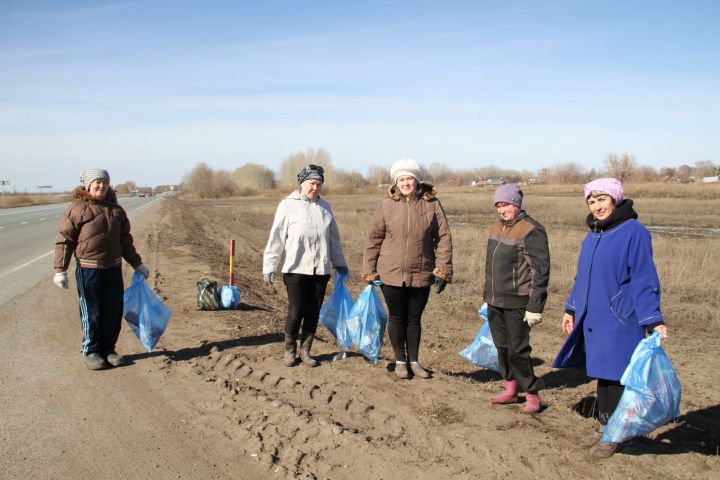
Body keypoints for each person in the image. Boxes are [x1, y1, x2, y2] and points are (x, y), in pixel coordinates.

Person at [553, 178, 667, 458]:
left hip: (620, 319)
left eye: (601, 199)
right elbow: (583, 277)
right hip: (594, 318)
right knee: (603, 375)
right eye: (591, 201)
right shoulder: (592, 235)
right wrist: (571, 308)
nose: (596, 206)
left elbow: (643, 277)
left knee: (617, 377)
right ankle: (605, 425)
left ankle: (615, 435)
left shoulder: (634, 232)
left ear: (615, 199)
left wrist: (653, 319)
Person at [362, 158, 452, 379]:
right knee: (396, 318)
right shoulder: (386, 205)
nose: (405, 183)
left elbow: (443, 238)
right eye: (401, 179)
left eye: (409, 179)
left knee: (414, 319)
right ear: (396, 182)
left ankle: (414, 361)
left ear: (417, 181)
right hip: (390, 273)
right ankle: (400, 361)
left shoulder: (432, 204)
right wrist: (369, 269)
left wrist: (443, 268)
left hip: (421, 272)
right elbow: (374, 238)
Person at [53, 169, 149, 370]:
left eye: (104, 182)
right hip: (89, 271)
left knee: (113, 311)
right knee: (93, 312)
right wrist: (60, 270)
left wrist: (137, 264)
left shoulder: (116, 210)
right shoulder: (77, 209)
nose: (101, 186)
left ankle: (108, 349)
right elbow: (64, 240)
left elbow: (125, 241)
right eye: (97, 182)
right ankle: (91, 350)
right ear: (87, 185)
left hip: (113, 269)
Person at [263, 164, 348, 368]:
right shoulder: (287, 205)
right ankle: (289, 350)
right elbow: (276, 238)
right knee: (296, 311)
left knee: (313, 312)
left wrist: (340, 263)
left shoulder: (325, 207)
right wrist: (270, 265)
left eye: (319, 184)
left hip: (320, 271)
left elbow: (333, 239)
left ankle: (306, 351)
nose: (315, 188)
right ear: (302, 183)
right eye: (311, 183)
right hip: (296, 270)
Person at [483, 183, 550, 414]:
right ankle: (510, 389)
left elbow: (540, 271)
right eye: (499, 205)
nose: (502, 210)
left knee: (518, 350)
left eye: (506, 204)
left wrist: (535, 305)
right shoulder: (496, 227)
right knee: (501, 347)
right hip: (495, 300)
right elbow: (491, 267)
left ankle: (531, 394)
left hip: (518, 301)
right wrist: (488, 296)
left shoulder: (532, 230)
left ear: (517, 204)